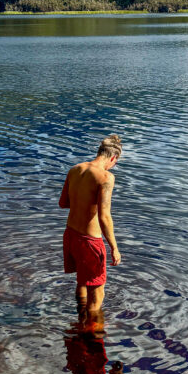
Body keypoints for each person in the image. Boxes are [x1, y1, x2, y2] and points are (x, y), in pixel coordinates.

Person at [59, 134, 122, 314]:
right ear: (113, 158)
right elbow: (104, 216)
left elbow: (63, 203)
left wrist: (82, 202)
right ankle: (91, 333)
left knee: (82, 280)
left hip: (71, 235)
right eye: (115, 163)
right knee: (97, 294)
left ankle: (80, 318)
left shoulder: (74, 169)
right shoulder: (106, 177)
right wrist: (114, 248)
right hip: (89, 242)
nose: (114, 166)